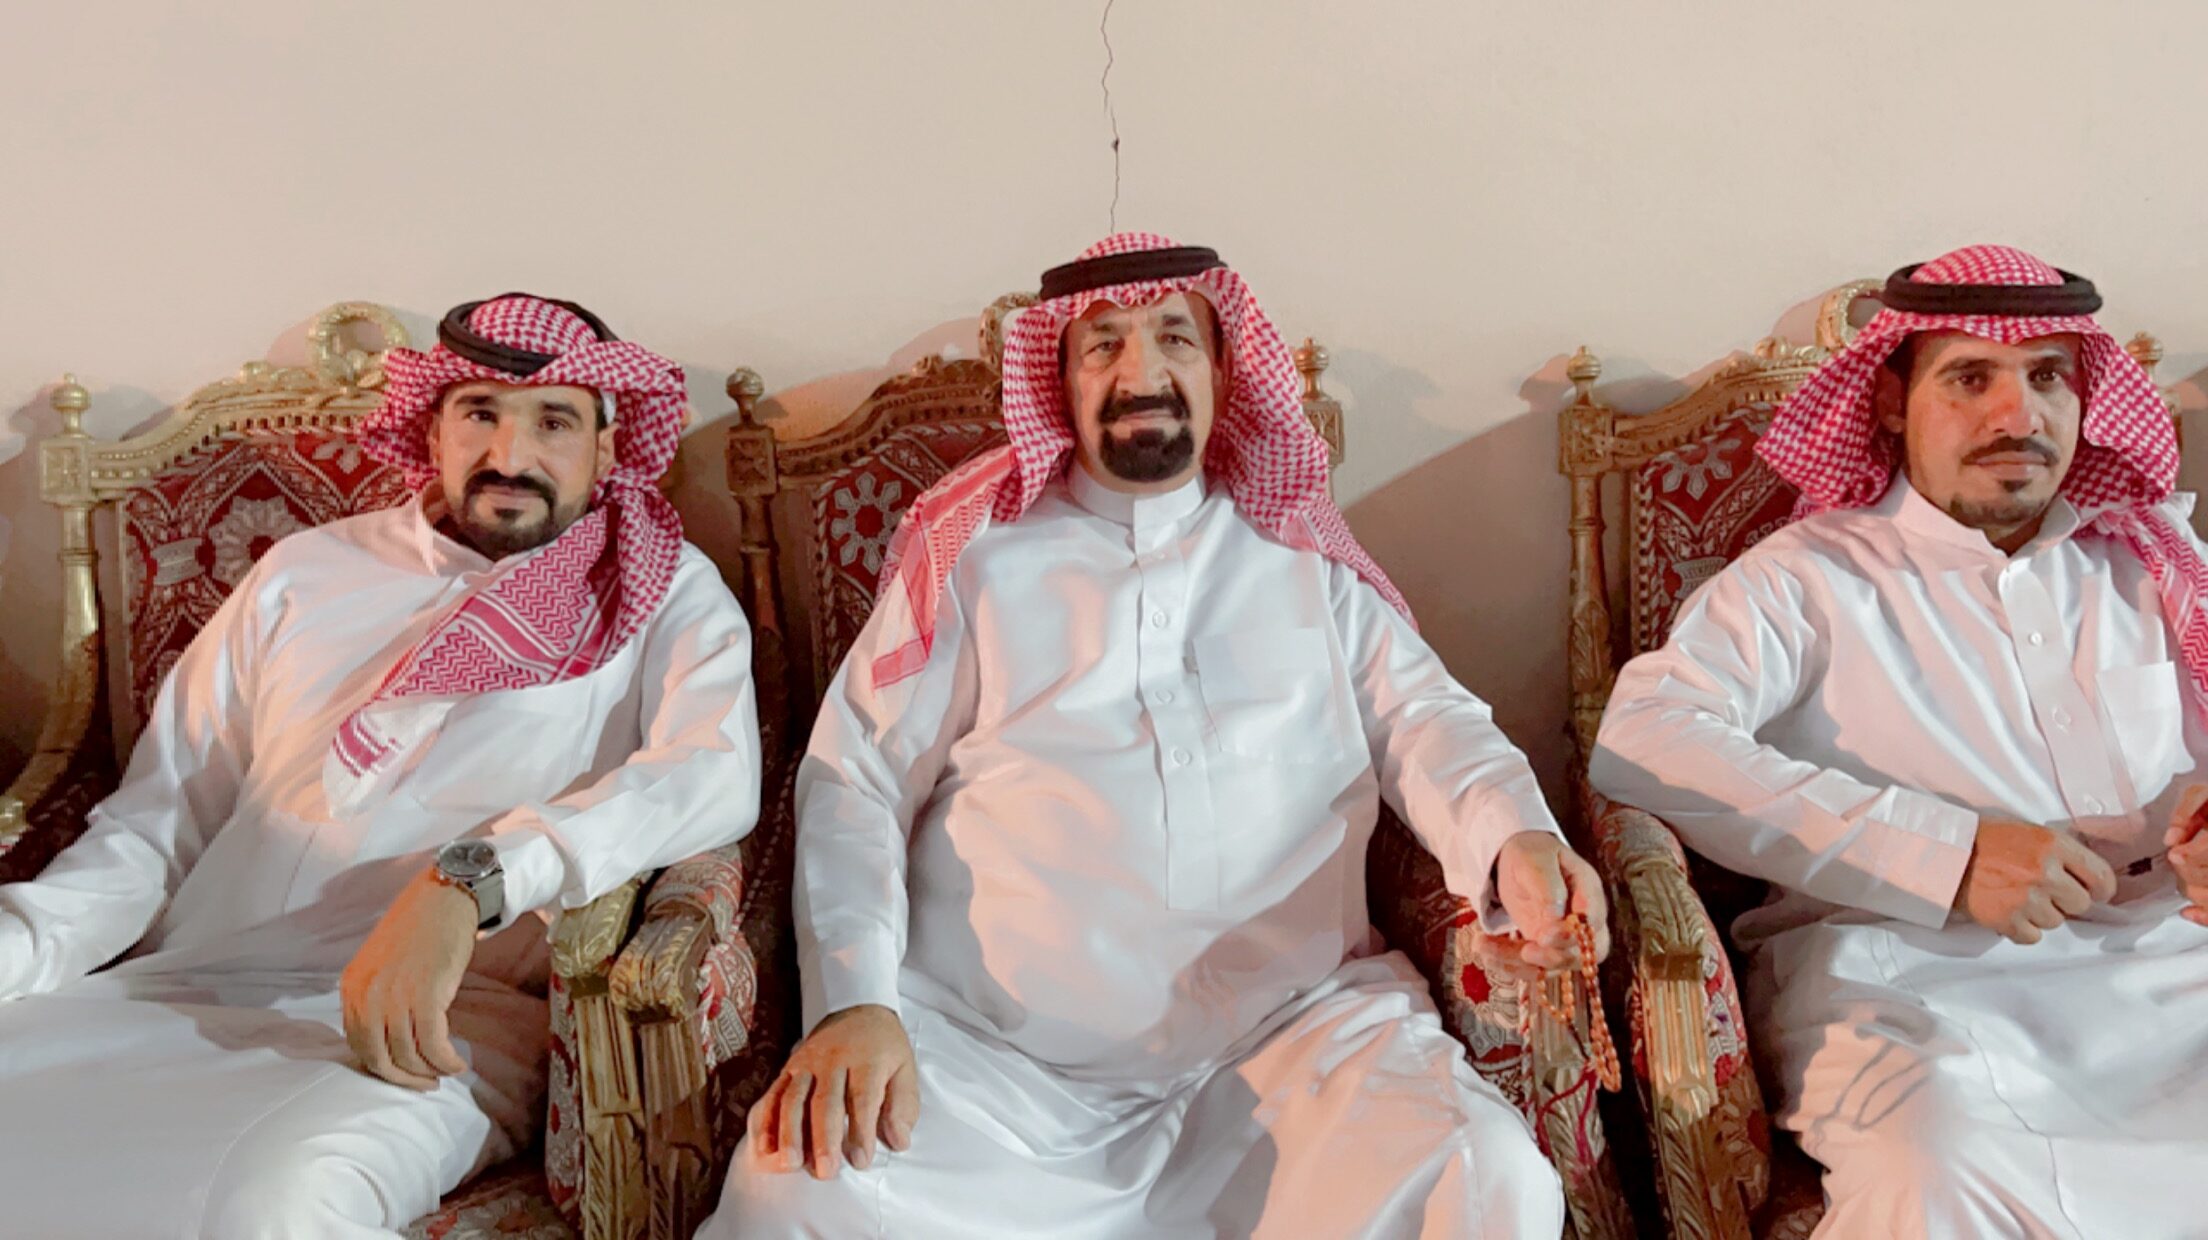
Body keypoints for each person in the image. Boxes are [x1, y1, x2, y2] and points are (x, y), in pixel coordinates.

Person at [709, 234, 1604, 1239]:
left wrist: (1515, 838)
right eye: (1103, 346)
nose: (1142, 373)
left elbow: (1429, 723)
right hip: (994, 1082)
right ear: (1057, 384)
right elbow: (856, 779)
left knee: (1487, 1181)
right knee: (793, 1199)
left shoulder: (1305, 557)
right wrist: (854, 1004)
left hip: (1292, 1056)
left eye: (1175, 338)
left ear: (1223, 371)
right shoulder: (972, 560)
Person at [0, 294, 761, 1237]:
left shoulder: (665, 590)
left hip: (437, 1019)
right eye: (479, 413)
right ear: (432, 430)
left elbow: (707, 777)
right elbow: (158, 822)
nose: (510, 454)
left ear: (608, 447)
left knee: (270, 1211)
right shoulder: (303, 572)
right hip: (179, 986)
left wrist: (471, 881)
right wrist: (21, 949)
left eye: (554, 422)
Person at [1592, 245, 2208, 1239]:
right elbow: (1647, 738)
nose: (2018, 415)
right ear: (1888, 401)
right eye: (1970, 378)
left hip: (2173, 962)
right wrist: (1944, 854)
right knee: (1938, 1166)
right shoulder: (1804, 578)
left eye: (2049, 377)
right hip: (1909, 977)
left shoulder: (2155, 561)